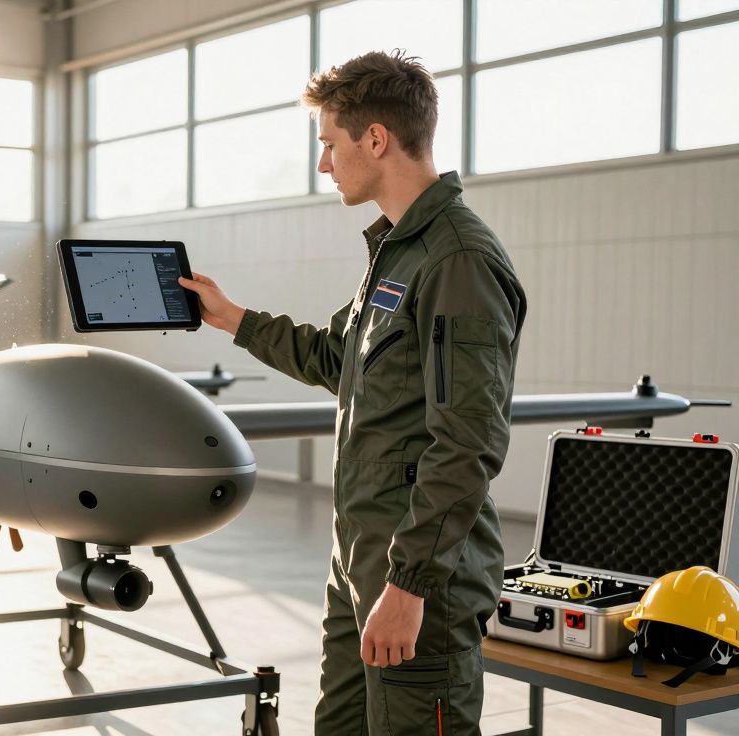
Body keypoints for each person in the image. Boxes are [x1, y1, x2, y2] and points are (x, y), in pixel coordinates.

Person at [179, 50, 527, 735]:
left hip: (418, 575)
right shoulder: (399, 249)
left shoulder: (458, 261)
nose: (323, 164)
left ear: (376, 139)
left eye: (329, 144)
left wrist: (409, 586)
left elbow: (469, 440)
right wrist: (234, 319)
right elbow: (341, 357)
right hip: (362, 559)